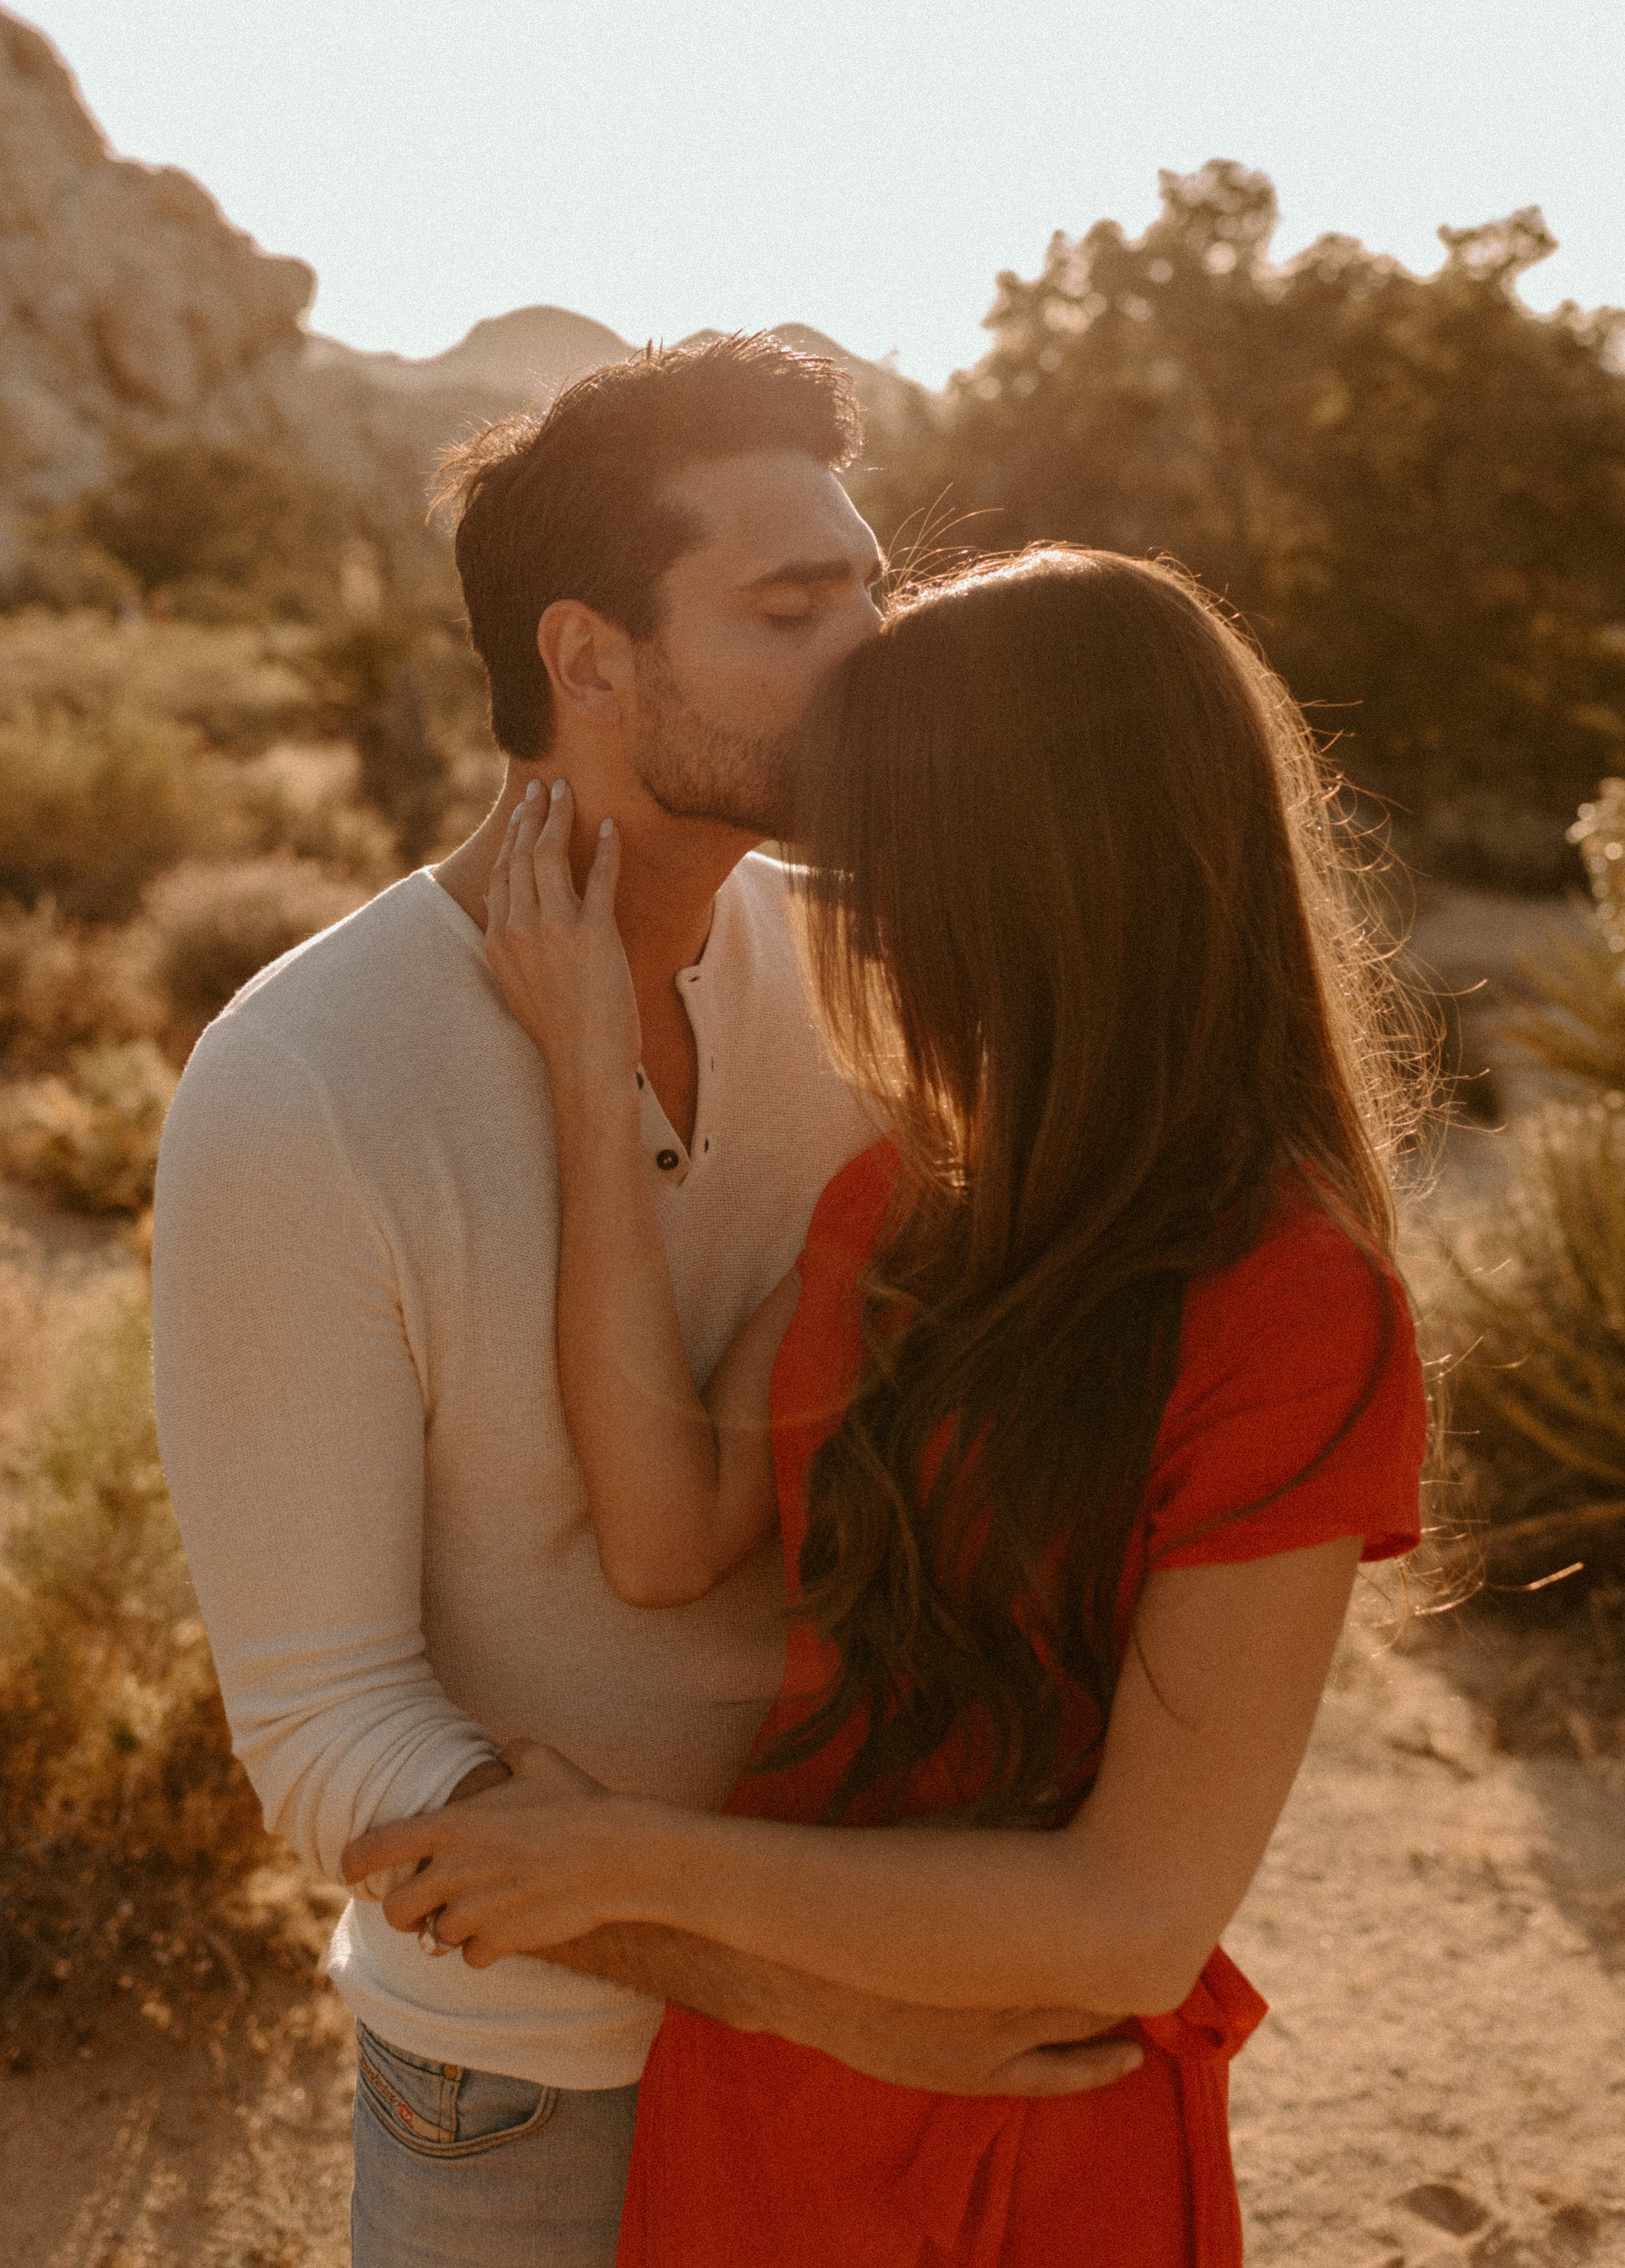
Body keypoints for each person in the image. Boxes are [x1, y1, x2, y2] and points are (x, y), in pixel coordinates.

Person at [152, 342, 1138, 2268]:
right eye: (794, 608)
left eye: (876, 588)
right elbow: (329, 1732)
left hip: (888, 2023)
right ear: (588, 659)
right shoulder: (305, 1081)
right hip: (535, 2085)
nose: (874, 646)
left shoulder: (878, 976)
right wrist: (780, 1982)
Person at [343, 547, 1430, 2266]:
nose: (852, 907)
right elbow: (659, 1525)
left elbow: (1129, 1919)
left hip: (1024, 2121)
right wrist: (591, 1063)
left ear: (1039, 873)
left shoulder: (1293, 1308)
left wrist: (621, 1860)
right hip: (770, 2088)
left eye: (887, 852)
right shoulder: (911, 1201)